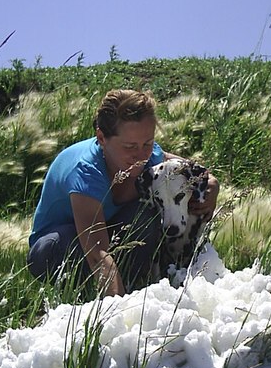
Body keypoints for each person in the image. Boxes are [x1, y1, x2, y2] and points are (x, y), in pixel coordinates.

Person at [27, 89, 219, 297]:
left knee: (147, 212)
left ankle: (137, 284)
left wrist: (212, 184)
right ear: (102, 138)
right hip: (63, 246)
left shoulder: (150, 155)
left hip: (112, 236)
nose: (142, 155)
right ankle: (86, 297)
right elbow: (98, 254)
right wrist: (121, 314)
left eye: (148, 143)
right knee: (59, 246)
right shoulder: (86, 172)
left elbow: (193, 171)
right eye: (130, 146)